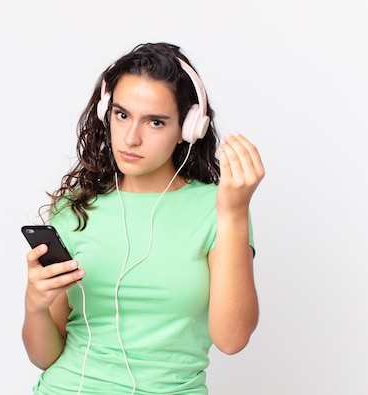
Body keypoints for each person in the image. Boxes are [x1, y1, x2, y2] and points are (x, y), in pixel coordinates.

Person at [22, 42, 265, 395]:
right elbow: (44, 356)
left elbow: (232, 339)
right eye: (121, 115)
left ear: (188, 128)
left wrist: (234, 214)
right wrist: (35, 306)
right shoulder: (75, 210)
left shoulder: (219, 207)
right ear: (106, 112)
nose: (131, 138)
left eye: (154, 122)